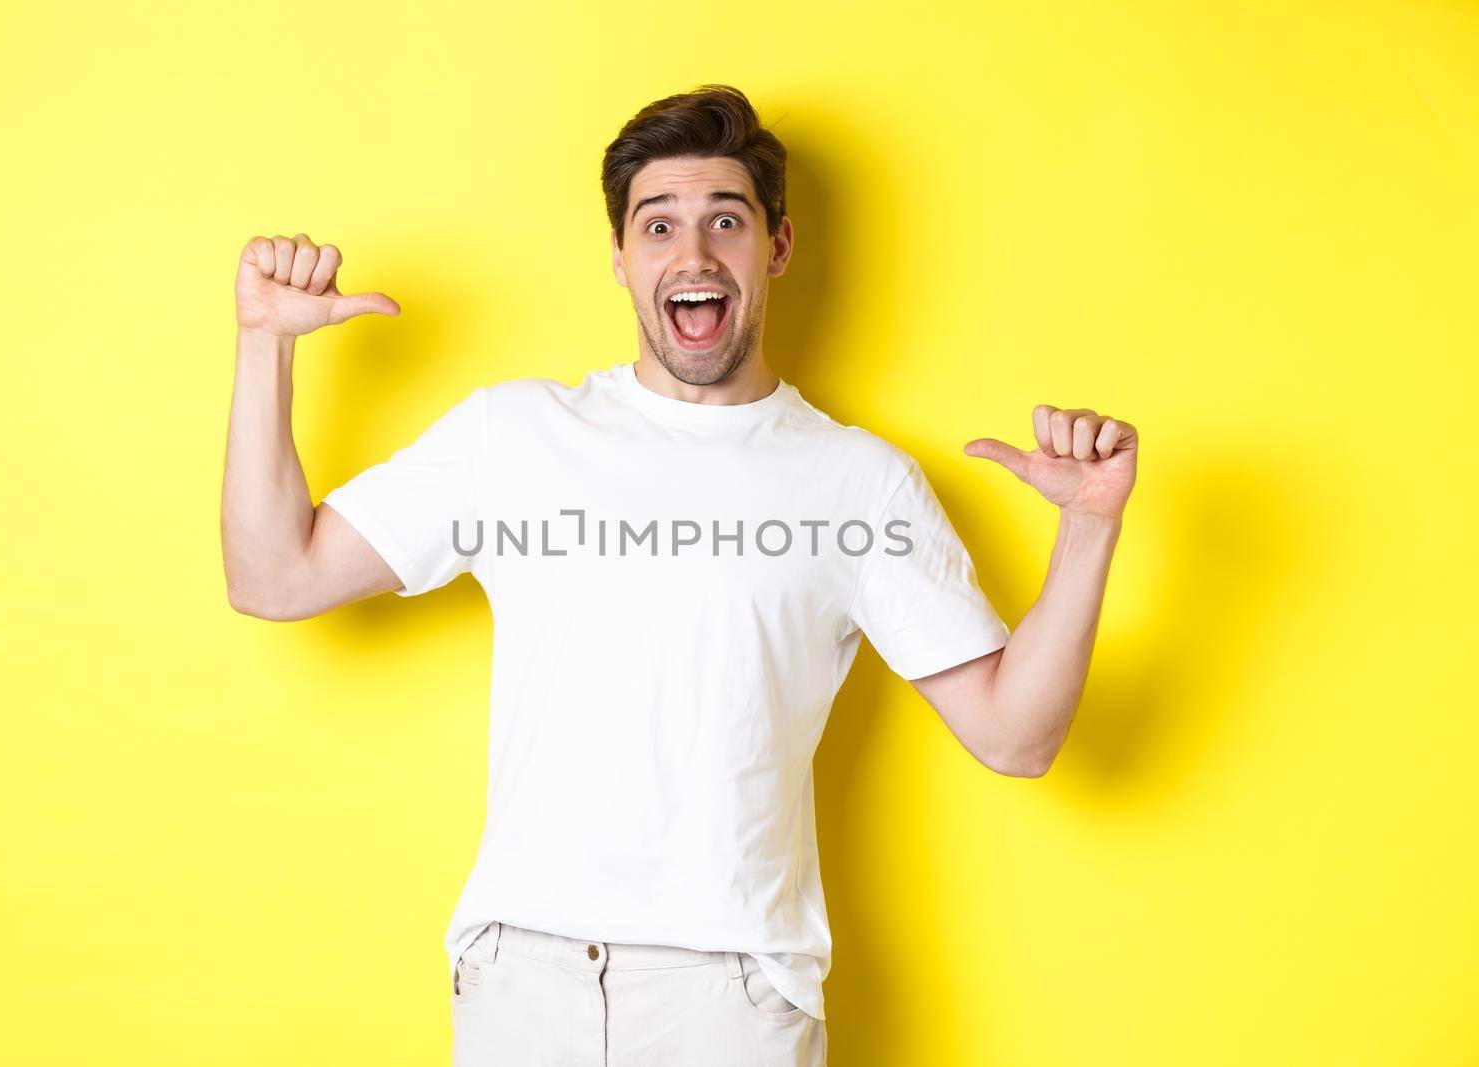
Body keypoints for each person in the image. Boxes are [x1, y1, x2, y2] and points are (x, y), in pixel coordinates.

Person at [220, 83, 1137, 1067]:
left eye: (725, 221)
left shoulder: (858, 482)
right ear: (620, 258)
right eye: (658, 225)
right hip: (521, 980)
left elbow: (1016, 735)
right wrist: (265, 344)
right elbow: (274, 575)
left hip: (730, 995)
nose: (692, 254)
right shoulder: (515, 435)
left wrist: (1087, 529)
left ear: (774, 249)